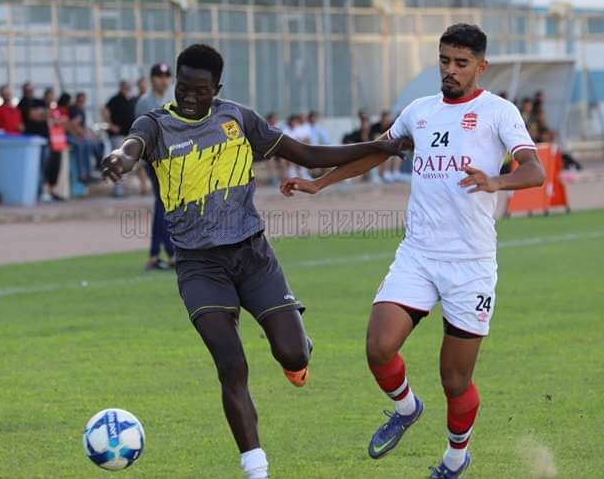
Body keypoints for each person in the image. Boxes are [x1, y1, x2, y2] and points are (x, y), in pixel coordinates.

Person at [100, 44, 409, 479]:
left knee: (292, 352)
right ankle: (256, 468)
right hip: (199, 267)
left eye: (200, 90)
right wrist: (121, 157)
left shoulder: (239, 120)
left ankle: (298, 347)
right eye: (183, 87)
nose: (189, 97)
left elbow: (308, 154)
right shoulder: (155, 125)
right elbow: (133, 147)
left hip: (253, 257)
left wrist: (380, 146)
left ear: (217, 89)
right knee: (231, 364)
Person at [281, 24, 545, 479]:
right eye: (444, 61)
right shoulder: (419, 112)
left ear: (481, 67)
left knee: (454, 380)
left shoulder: (499, 112)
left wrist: (497, 180)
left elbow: (535, 169)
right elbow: (380, 152)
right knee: (379, 348)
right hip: (418, 254)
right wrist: (320, 184)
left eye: (461, 63)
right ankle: (406, 408)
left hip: (471, 266)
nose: (450, 70)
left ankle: (455, 458)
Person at [135, 64, 177, 270]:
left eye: (166, 76)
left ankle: (155, 254)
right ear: (152, 79)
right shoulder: (145, 102)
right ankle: (170, 253)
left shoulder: (174, 98)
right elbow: (142, 132)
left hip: (174, 159)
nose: (163, 79)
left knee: (163, 204)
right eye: (159, 76)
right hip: (155, 159)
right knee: (164, 204)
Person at [103, 80, 139, 197]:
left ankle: (122, 188)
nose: (127, 88)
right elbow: (104, 111)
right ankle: (119, 190)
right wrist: (111, 125)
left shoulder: (132, 99)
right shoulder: (115, 99)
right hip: (117, 136)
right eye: (125, 86)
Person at [69, 91, 104, 182]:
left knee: (100, 144)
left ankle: (97, 166)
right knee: (85, 145)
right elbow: (73, 126)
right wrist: (84, 134)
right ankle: (84, 173)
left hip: (83, 135)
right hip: (77, 136)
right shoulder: (73, 110)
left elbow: (85, 127)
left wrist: (92, 135)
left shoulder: (82, 110)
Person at [42, 88, 68, 202]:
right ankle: (44, 191)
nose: (51, 99)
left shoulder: (55, 110)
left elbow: (62, 122)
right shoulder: (43, 110)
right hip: (48, 143)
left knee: (55, 168)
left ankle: (52, 191)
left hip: (57, 144)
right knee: (46, 167)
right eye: (49, 96)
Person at [372, 111, 401, 182]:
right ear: (382, 119)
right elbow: (375, 140)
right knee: (388, 155)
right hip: (378, 148)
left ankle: (395, 172)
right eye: (385, 120)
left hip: (389, 147)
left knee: (397, 155)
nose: (387, 122)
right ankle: (386, 173)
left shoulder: (392, 126)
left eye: (388, 120)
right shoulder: (375, 127)